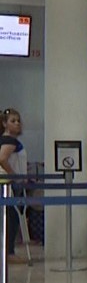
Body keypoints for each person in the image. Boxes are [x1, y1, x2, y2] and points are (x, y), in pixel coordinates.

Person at [0, 108, 28, 263]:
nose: (17, 123)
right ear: (5, 123)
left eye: (18, 120)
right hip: (9, 184)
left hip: (9, 183)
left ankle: (8, 250)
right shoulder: (10, 141)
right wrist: (14, 176)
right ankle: (9, 252)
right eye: (12, 121)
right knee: (12, 218)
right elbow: (2, 159)